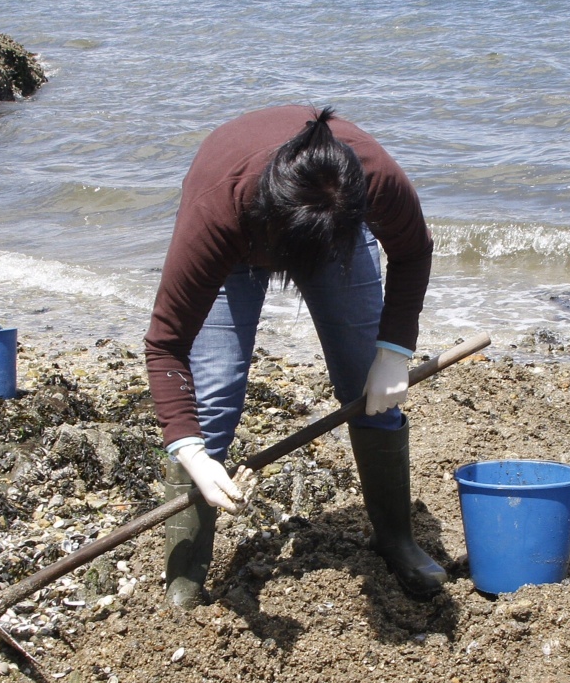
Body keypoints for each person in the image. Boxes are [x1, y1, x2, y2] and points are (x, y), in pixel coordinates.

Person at [144, 105, 443, 607]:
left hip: (330, 226)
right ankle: (185, 575)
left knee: (368, 388)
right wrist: (190, 450)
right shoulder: (217, 209)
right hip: (243, 226)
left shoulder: (371, 178)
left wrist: (394, 351)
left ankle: (396, 539)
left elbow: (413, 251)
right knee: (210, 406)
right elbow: (165, 342)